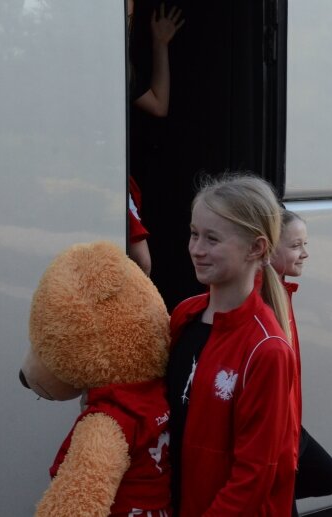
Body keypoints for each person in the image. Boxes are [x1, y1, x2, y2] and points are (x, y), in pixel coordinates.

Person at [166, 174, 299, 516]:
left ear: (256, 248)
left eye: (212, 239)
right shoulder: (185, 315)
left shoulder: (266, 348)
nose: (196, 249)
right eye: (194, 234)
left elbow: (253, 476)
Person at [271, 210, 332, 516]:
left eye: (305, 244)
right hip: (279, 435)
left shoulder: (281, 292)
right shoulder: (264, 305)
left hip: (287, 431)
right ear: (267, 248)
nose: (305, 254)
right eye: (295, 245)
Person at [127, 1, 185, 276]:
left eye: (129, 16)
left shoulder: (122, 69)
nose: (127, 21)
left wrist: (160, 43)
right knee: (141, 262)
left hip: (118, 175)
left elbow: (159, 105)